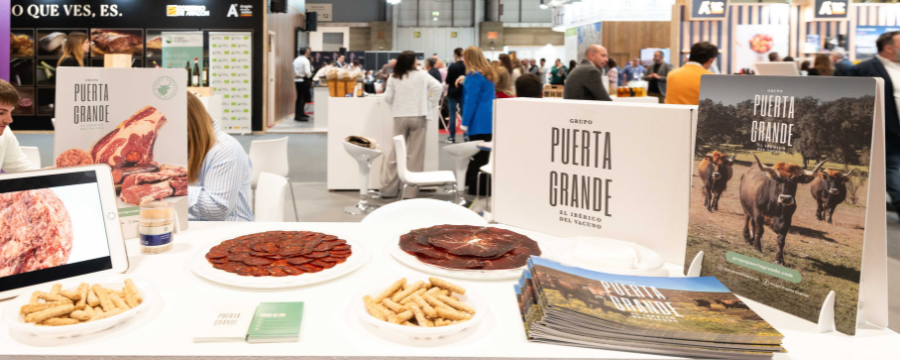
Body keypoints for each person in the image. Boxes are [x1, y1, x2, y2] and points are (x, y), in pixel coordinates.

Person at [381, 51, 443, 198]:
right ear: (412, 62)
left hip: (399, 117)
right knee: (415, 156)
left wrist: (397, 104)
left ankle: (388, 190)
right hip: (418, 117)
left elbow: (387, 97)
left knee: (395, 154)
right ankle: (410, 192)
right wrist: (431, 104)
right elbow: (438, 87)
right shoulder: (422, 74)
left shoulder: (394, 77)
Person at [850, 31, 900, 212]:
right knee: (893, 170)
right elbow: (855, 102)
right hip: (886, 132)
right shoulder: (863, 69)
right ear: (889, 47)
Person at [185, 92, 253, 222]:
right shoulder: (183, 146)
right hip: (192, 226)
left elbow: (216, 210)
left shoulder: (226, 150)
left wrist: (168, 189)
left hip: (229, 231)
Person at [456, 46, 496, 197]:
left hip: (477, 121)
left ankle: (475, 187)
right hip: (489, 118)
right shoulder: (488, 74)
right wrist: (463, 80)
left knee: (476, 156)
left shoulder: (473, 75)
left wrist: (464, 123)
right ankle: (483, 186)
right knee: (485, 156)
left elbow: (471, 101)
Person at [0, 79, 38, 173]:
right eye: (1, 113)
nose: (9, 120)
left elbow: (21, 170)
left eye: (10, 112)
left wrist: (49, 174)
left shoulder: (5, 133)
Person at [445, 48, 467, 144]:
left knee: (452, 115)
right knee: (464, 115)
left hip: (452, 92)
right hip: (463, 92)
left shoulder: (452, 66)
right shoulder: (466, 65)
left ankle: (452, 137)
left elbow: (447, 81)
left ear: (455, 55)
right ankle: (466, 137)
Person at [293, 47, 312, 121]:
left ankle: (299, 114)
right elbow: (307, 72)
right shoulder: (305, 60)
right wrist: (310, 76)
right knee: (302, 98)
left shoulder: (296, 60)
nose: (309, 52)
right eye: (308, 51)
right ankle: (299, 116)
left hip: (297, 79)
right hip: (304, 79)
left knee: (299, 97)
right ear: (306, 52)